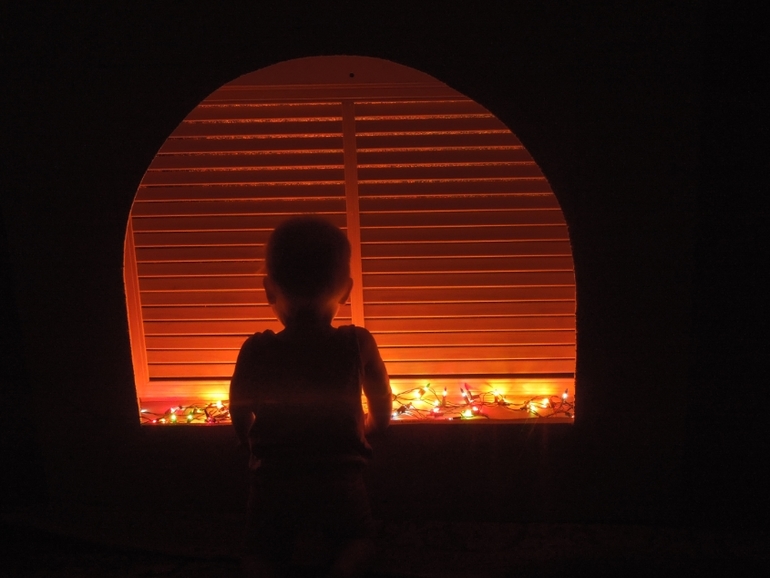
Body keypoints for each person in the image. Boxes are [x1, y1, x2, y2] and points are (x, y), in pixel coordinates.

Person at [229, 216, 392, 578]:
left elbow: (238, 407)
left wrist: (248, 441)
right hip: (340, 476)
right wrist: (372, 425)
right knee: (359, 539)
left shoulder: (256, 349)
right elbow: (382, 400)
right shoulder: (358, 343)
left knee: (258, 552)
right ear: (346, 291)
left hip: (274, 479)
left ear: (269, 290)